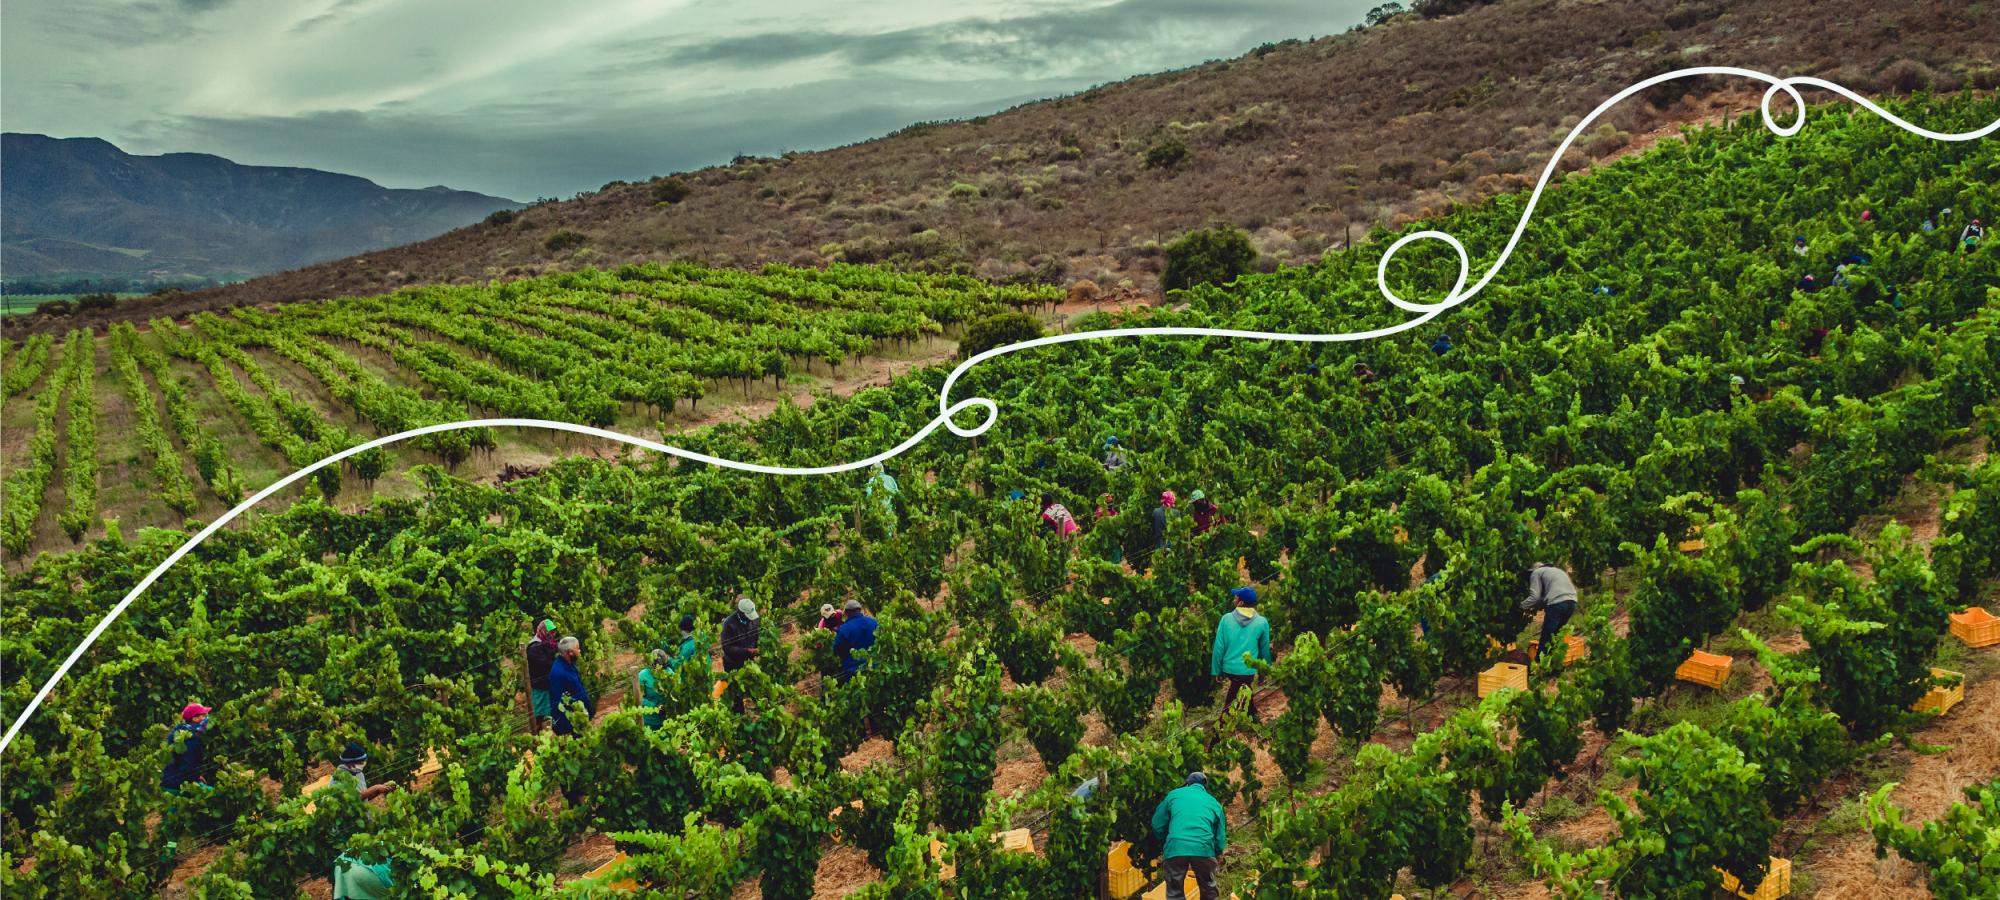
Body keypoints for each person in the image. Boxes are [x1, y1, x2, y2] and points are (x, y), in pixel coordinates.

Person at [330, 742, 402, 900]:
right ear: (351, 763)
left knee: (366, 856)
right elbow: (354, 799)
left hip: (362, 823)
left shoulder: (358, 774)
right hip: (347, 826)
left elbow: (364, 797)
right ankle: (348, 892)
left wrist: (379, 789)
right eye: (361, 762)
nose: (363, 765)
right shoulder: (338, 778)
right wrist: (376, 787)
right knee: (350, 861)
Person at [1149, 772, 1227, 900]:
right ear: (1203, 787)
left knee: (1175, 893)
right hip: (1203, 848)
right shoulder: (1213, 802)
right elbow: (1220, 837)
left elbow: (1157, 824)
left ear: (1188, 784)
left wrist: (1168, 843)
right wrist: (1213, 853)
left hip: (1176, 846)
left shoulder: (1174, 795)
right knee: (1209, 890)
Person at [159, 703, 216, 860]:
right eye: (203, 715)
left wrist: (197, 776)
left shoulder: (179, 732)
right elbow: (186, 767)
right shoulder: (190, 741)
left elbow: (180, 762)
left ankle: (166, 857)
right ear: (195, 719)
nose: (206, 718)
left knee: (171, 823)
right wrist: (194, 783)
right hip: (177, 785)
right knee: (215, 796)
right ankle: (220, 833)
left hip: (168, 782)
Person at [1210, 588, 1273, 724]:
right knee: (1238, 698)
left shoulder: (1226, 619)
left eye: (1235, 598)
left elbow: (1219, 647)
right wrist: (1263, 670)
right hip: (1247, 671)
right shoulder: (1262, 622)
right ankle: (1257, 726)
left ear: (1241, 603)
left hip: (1230, 670)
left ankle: (1217, 738)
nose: (1234, 600)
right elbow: (1264, 649)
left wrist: (1217, 670)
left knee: (1232, 706)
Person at [1521, 562, 1579, 664]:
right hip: (1572, 602)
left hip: (1557, 602)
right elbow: (1549, 597)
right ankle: (1556, 665)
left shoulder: (1536, 573)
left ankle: (1538, 666)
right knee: (1557, 635)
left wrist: (1521, 606)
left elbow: (1535, 597)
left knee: (1547, 636)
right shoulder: (1557, 571)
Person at [720, 598, 762, 713]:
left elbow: (756, 635)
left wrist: (759, 649)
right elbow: (727, 648)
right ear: (741, 612)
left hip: (749, 662)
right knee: (736, 695)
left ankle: (763, 712)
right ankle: (740, 720)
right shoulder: (728, 624)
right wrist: (747, 651)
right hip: (733, 664)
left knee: (756, 689)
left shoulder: (753, 619)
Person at [548, 636, 594, 736]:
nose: (580, 651)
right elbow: (558, 703)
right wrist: (566, 730)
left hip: (578, 719)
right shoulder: (558, 673)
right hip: (570, 724)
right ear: (570, 652)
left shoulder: (570, 665)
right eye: (577, 648)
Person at [524, 619, 560, 735]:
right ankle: (536, 739)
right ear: (542, 632)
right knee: (539, 716)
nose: (553, 635)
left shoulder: (551, 644)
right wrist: (560, 664)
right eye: (550, 632)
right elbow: (544, 664)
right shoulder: (534, 647)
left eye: (554, 632)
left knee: (556, 714)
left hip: (550, 684)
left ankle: (559, 738)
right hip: (540, 687)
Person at [834, 599, 879, 686]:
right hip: (873, 667)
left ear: (848, 612)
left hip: (852, 672)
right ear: (859, 610)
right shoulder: (874, 623)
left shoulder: (844, 629)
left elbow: (837, 650)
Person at [637, 649, 671, 729]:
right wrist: (654, 706)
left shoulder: (670, 673)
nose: (664, 670)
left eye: (665, 666)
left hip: (667, 721)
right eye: (661, 667)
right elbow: (639, 698)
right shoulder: (643, 676)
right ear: (653, 665)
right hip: (649, 722)